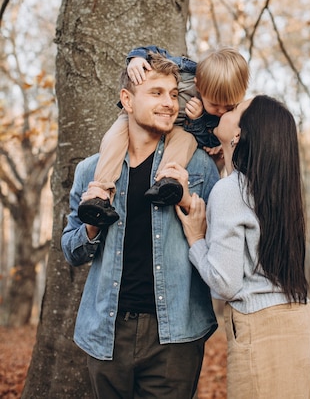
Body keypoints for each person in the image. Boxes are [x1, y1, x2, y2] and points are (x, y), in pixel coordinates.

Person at [61, 53, 220, 399]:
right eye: (157, 93)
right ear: (127, 100)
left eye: (174, 94)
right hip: (107, 332)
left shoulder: (198, 168)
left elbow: (219, 247)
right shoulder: (91, 172)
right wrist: (91, 228)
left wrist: (189, 202)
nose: (169, 103)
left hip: (176, 335)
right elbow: (71, 251)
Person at [176, 95, 310, 399]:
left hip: (262, 327)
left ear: (240, 134)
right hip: (300, 321)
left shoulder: (230, 191)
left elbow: (225, 283)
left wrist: (195, 239)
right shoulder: (276, 189)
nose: (226, 111)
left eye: (236, 110)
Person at [78, 45, 249, 226]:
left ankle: (167, 182)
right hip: (136, 118)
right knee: (114, 138)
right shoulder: (184, 71)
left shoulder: (217, 117)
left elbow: (208, 141)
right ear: (199, 84)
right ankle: (101, 194)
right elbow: (155, 54)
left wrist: (198, 121)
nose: (221, 112)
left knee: (186, 141)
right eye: (215, 104)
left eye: (229, 107)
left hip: (178, 128)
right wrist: (136, 59)